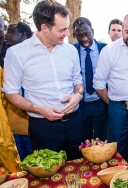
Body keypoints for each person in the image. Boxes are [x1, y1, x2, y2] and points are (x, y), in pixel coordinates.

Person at [2, 0, 85, 161]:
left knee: (80, 170)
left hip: (76, 123)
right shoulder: (16, 54)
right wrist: (39, 109)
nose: (67, 33)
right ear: (44, 28)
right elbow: (10, 93)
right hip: (43, 128)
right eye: (62, 29)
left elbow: (78, 82)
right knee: (49, 178)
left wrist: (78, 95)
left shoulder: (70, 51)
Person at [93, 12, 128, 169]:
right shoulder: (109, 51)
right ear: (122, 28)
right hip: (118, 108)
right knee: (118, 151)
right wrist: (114, 104)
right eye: (127, 32)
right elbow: (98, 83)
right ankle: (117, 180)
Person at [72, 17, 108, 141]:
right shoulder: (71, 51)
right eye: (79, 35)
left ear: (92, 31)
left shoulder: (105, 49)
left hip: (101, 103)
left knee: (101, 140)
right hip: (81, 105)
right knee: (83, 141)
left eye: (87, 34)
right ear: (74, 35)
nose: (84, 38)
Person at [5, 22, 33, 160]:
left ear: (23, 34)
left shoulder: (36, 56)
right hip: (15, 119)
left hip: (37, 120)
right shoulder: (6, 55)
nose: (6, 35)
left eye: (10, 32)